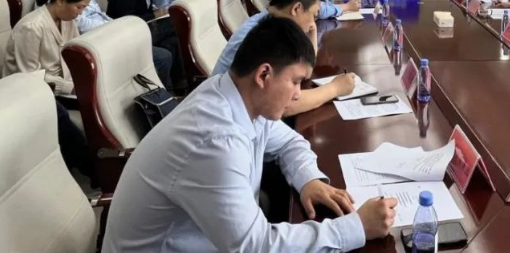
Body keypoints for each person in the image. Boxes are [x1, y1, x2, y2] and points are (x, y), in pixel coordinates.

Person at [103, 16, 397, 252]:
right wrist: (357, 227)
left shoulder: (236, 94)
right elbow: (254, 246)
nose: (298, 94)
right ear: (263, 75)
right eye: (296, 82)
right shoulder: (214, 139)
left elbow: (289, 142)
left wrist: (308, 178)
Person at [213, 0, 357, 116]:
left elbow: (306, 70)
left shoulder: (273, 23)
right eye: (314, 15)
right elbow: (285, 105)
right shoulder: (267, 35)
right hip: (227, 111)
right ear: (296, 9)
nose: (314, 21)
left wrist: (312, 31)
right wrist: (335, 89)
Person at [55, 0, 173, 88]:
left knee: (169, 42)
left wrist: (114, 25)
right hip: (97, 43)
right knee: (162, 56)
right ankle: (161, 95)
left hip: (110, 35)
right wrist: (112, 27)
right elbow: (79, 25)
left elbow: (99, 14)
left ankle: (167, 91)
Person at [107, 0, 183, 91]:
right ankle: (170, 89)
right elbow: (126, 19)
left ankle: (177, 86)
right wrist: (154, 15)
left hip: (142, 27)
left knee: (173, 42)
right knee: (176, 24)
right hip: (127, 32)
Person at [3, 0, 93, 94]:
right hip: (30, 90)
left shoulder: (67, 19)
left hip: (61, 85)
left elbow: (75, 51)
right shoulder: (31, 27)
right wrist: (69, 88)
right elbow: (30, 74)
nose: (80, 13)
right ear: (61, 0)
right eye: (79, 7)